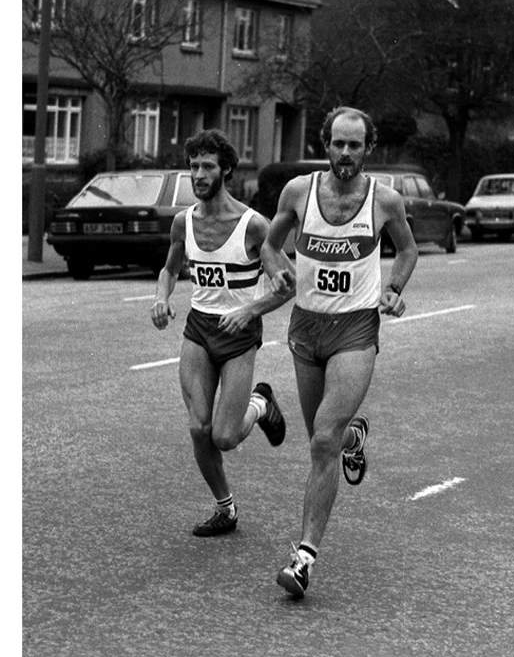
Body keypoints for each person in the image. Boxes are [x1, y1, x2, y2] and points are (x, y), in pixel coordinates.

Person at [261, 106, 419, 598]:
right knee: (321, 438)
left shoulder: (385, 200)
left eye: (355, 145)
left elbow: (407, 250)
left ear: (368, 148)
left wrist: (393, 288)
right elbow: (269, 244)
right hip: (306, 327)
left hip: (355, 329)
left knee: (320, 440)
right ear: (325, 144)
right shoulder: (298, 192)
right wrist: (277, 267)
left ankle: (304, 558)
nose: (345, 154)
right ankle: (354, 439)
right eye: (337, 144)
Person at [151, 130, 290, 537]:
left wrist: (250, 310)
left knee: (225, 436)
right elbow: (169, 269)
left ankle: (260, 404)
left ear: (225, 170)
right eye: (193, 166)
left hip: (239, 333)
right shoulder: (184, 222)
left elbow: (290, 283)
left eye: (207, 166)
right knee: (198, 428)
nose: (198, 174)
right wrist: (161, 298)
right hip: (199, 328)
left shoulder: (253, 226)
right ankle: (225, 508)